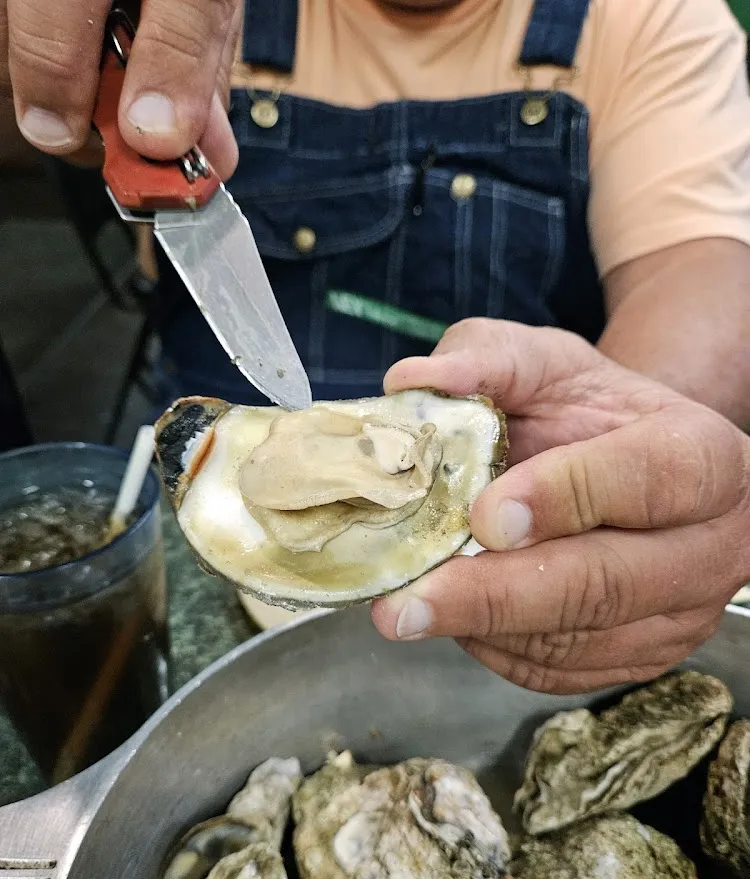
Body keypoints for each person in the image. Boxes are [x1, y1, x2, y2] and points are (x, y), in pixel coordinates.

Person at [3, 0, 750, 693]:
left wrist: (631, 462)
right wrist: (54, 66)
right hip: (197, 570)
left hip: (510, 558)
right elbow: (48, 117)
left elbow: (698, 270)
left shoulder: (653, 16)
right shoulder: (185, 15)